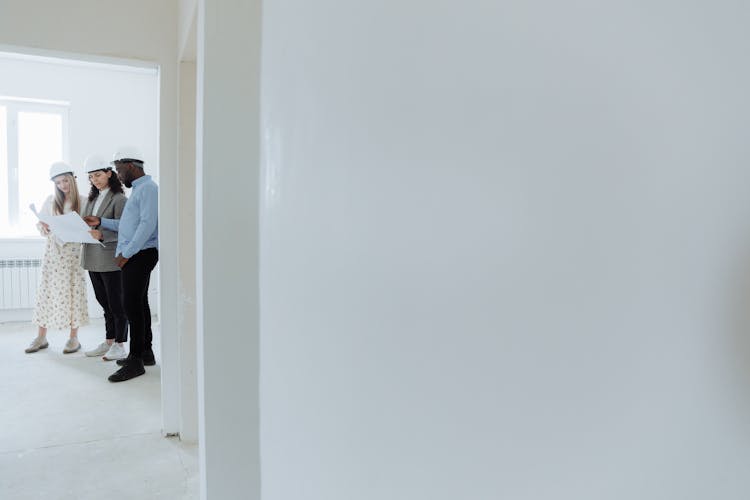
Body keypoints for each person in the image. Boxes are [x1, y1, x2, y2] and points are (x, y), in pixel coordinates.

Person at [84, 147, 158, 382]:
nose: (118, 174)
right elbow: (125, 226)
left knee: (131, 306)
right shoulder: (138, 190)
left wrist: (127, 252)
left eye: (118, 169)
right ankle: (145, 352)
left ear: (131, 166)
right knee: (140, 303)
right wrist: (101, 221)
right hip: (136, 254)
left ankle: (135, 361)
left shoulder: (148, 189)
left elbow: (147, 225)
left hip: (140, 254)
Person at [26, 162, 89, 354]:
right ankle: (41, 336)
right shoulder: (51, 200)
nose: (62, 185)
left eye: (65, 181)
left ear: (72, 179)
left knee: (73, 293)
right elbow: (41, 226)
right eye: (58, 182)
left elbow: (89, 229)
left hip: (73, 255)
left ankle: (73, 338)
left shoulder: (84, 201)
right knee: (47, 292)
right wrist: (43, 227)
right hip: (53, 254)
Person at [80, 154, 129, 361]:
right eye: (91, 177)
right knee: (103, 302)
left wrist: (103, 234)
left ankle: (120, 344)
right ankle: (109, 340)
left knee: (117, 304)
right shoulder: (91, 199)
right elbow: (86, 223)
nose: (95, 180)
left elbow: (126, 229)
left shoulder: (119, 199)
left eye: (98, 175)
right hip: (93, 257)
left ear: (110, 173)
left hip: (110, 259)